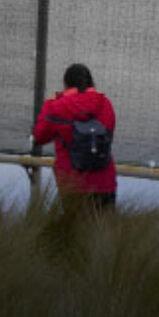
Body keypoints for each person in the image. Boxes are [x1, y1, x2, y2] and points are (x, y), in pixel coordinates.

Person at [32, 63, 117, 212]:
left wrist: (49, 103)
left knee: (76, 231)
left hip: (72, 184)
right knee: (102, 231)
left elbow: (40, 136)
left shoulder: (57, 106)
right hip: (105, 183)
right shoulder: (105, 104)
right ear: (91, 82)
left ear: (66, 84)